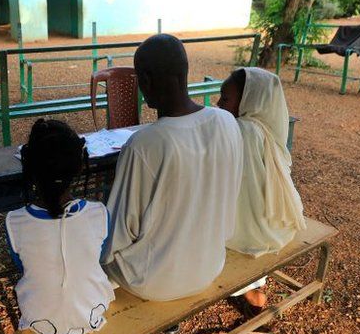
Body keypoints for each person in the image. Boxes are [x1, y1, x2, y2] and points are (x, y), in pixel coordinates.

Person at [104, 34, 242, 301]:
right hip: (209, 264)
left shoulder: (144, 144)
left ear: (145, 80)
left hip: (152, 282)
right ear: (184, 71)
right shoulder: (226, 122)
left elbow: (118, 234)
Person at [5, 119, 114, 334]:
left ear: (29, 166)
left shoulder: (14, 222)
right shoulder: (99, 213)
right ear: (80, 165)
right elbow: (97, 256)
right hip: (93, 313)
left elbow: (23, 266)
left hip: (38, 321)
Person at [217, 67, 306, 313]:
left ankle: (247, 289)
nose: (218, 103)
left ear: (249, 101)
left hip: (253, 231)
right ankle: (253, 289)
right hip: (277, 223)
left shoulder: (242, 131)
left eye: (225, 98)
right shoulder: (267, 127)